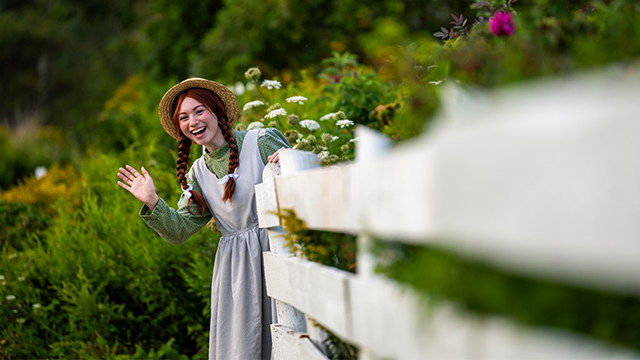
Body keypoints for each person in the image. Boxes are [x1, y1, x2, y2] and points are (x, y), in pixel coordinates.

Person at [116, 78, 289, 359]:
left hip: (278, 252)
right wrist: (152, 201)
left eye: (199, 111)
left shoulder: (261, 140)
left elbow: (304, 183)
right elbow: (178, 230)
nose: (192, 121)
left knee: (291, 336)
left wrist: (291, 159)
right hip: (239, 273)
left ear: (217, 111)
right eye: (183, 117)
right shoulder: (197, 174)